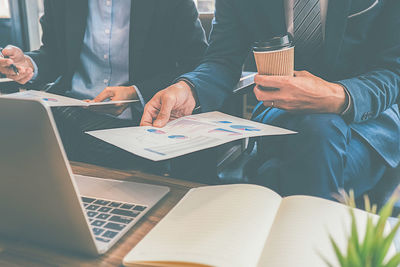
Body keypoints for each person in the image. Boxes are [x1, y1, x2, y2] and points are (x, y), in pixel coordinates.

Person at [140, 0, 400, 200]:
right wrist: (189, 89)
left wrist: (338, 96)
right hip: (283, 116)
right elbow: (222, 59)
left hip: (369, 119)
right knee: (313, 144)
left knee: (308, 144)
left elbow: (393, 70)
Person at [0, 0, 207, 171]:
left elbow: (196, 62)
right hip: (67, 111)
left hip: (138, 121)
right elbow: (55, 54)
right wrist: (28, 63)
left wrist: (136, 93)